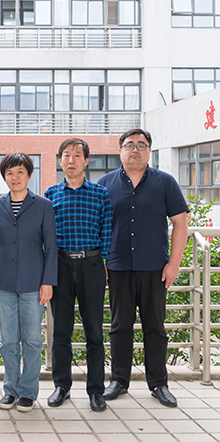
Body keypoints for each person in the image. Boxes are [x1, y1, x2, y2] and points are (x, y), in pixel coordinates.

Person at [99, 129, 189, 408]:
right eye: (129, 145)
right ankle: (118, 380)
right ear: (120, 151)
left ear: (149, 151)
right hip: (118, 267)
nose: (135, 150)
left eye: (141, 145)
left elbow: (180, 223)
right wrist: (102, 262)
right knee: (119, 327)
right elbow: (96, 226)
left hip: (155, 268)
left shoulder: (165, 182)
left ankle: (159, 384)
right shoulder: (105, 184)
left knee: (155, 327)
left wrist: (174, 264)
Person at [0, 153, 57, 413]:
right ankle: (10, 390)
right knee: (8, 341)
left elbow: (51, 247)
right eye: (9, 173)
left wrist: (48, 281)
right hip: (3, 281)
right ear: (4, 177)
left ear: (29, 175)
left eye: (20, 172)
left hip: (33, 282)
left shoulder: (43, 205)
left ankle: (28, 392)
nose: (15, 177)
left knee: (33, 340)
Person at [44, 138, 112, 412]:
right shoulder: (50, 194)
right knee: (61, 331)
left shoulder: (100, 194)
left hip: (91, 265)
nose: (71, 160)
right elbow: (45, 236)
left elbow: (107, 230)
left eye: (77, 155)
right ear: (60, 160)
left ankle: (96, 390)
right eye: (66, 155)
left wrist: (104, 263)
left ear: (86, 161)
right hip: (60, 265)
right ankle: (62, 386)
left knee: (94, 330)